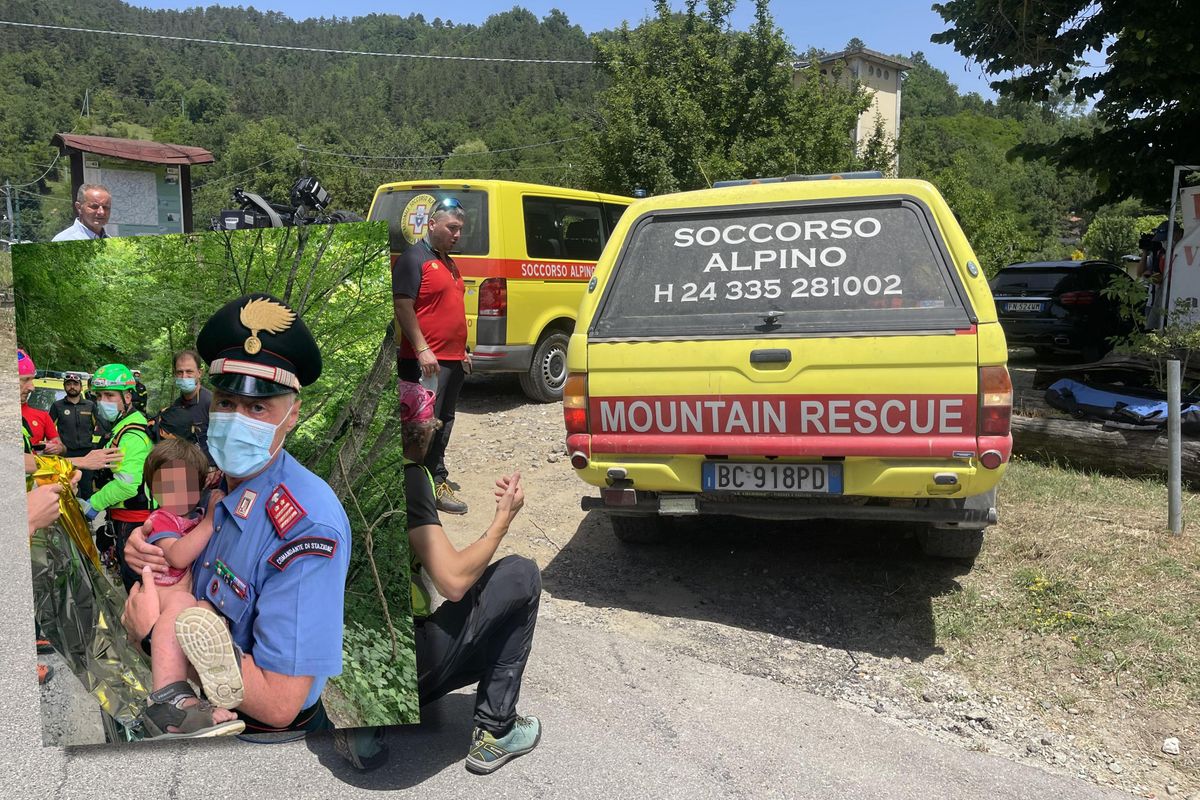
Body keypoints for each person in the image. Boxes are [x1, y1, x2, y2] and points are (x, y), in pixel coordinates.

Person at [123, 292, 351, 736]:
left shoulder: (306, 525)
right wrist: (149, 554)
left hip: (262, 735)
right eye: (226, 402)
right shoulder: (220, 484)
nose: (236, 418)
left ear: (294, 414)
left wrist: (153, 637)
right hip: (205, 708)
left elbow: (282, 702)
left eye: (258, 407)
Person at [334, 380, 541, 775]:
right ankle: (496, 732)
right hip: (398, 655)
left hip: (342, 653)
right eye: (433, 427)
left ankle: (363, 721)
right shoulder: (410, 478)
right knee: (521, 575)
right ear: (421, 434)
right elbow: (453, 581)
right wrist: (502, 519)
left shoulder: (354, 470)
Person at [130, 437, 244, 738]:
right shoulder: (162, 519)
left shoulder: (191, 514)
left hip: (185, 594)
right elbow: (177, 555)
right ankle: (169, 698)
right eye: (168, 487)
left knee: (205, 616)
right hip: (165, 594)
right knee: (183, 605)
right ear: (153, 489)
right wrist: (209, 520)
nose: (178, 494)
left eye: (186, 487)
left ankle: (207, 699)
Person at [392, 196, 472, 515]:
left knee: (444, 423)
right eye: (452, 228)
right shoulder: (414, 258)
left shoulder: (449, 262)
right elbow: (402, 305)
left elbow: (449, 311)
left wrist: (462, 351)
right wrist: (423, 348)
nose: (457, 235)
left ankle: (436, 480)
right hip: (426, 363)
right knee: (422, 428)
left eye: (460, 229)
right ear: (432, 223)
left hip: (452, 361)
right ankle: (419, 491)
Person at [80, 363, 154, 589]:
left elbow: (127, 486)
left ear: (127, 397)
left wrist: (94, 504)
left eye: (110, 395)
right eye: (100, 396)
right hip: (123, 516)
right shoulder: (121, 426)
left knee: (135, 580)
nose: (103, 401)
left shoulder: (131, 434)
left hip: (134, 520)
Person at [50, 372, 98, 499]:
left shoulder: (90, 405)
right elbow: (49, 430)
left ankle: (86, 518)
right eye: (69, 384)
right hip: (66, 455)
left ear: (81, 387)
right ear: (64, 387)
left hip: (87, 453)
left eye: (75, 384)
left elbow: (99, 428)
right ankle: (67, 517)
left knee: (87, 489)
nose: (72, 387)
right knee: (68, 490)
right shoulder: (57, 406)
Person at [18, 350, 65, 459]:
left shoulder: (42, 415)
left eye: (32, 380)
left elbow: (61, 447)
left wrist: (58, 448)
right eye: (25, 380)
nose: (32, 387)